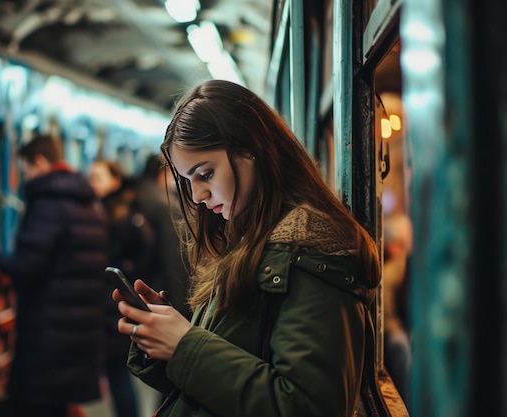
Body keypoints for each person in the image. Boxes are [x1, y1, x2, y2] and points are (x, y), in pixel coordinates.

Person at [112, 79, 390, 417]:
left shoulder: (310, 251)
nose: (197, 197)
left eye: (206, 173)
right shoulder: (249, 240)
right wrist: (164, 344)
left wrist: (184, 344)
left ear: (250, 150)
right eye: (188, 181)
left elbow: (307, 406)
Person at [0, 133, 110, 417]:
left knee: (36, 405)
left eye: (26, 169)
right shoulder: (90, 202)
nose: (25, 177)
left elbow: (28, 266)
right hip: (77, 330)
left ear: (40, 162)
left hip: (48, 333)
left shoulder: (48, 204)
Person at [88, 159, 154, 417]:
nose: (92, 184)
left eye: (98, 178)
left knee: (118, 374)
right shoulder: (123, 211)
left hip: (113, 307)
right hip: (114, 306)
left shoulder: (117, 217)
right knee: (118, 374)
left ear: (115, 181)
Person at [134, 154, 191, 319]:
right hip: (159, 284)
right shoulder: (166, 205)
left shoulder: (137, 194)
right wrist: (180, 306)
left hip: (139, 279)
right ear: (163, 172)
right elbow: (172, 256)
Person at [382, 211, 413, 402]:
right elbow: (387, 316)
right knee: (400, 344)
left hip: (401, 328)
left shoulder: (403, 265)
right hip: (394, 331)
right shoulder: (395, 268)